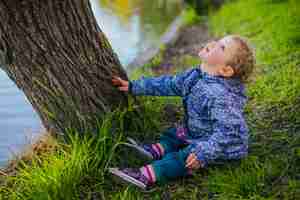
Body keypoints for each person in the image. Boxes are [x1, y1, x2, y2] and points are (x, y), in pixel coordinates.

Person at [109, 35, 255, 190]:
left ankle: (146, 175)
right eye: (218, 41)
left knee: (183, 158)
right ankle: (158, 149)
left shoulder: (221, 96)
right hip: (198, 131)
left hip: (221, 147)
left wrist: (204, 152)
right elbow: (169, 84)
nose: (213, 43)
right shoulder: (195, 75)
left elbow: (229, 131)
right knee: (178, 133)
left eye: (222, 47)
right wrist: (134, 86)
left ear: (225, 70)